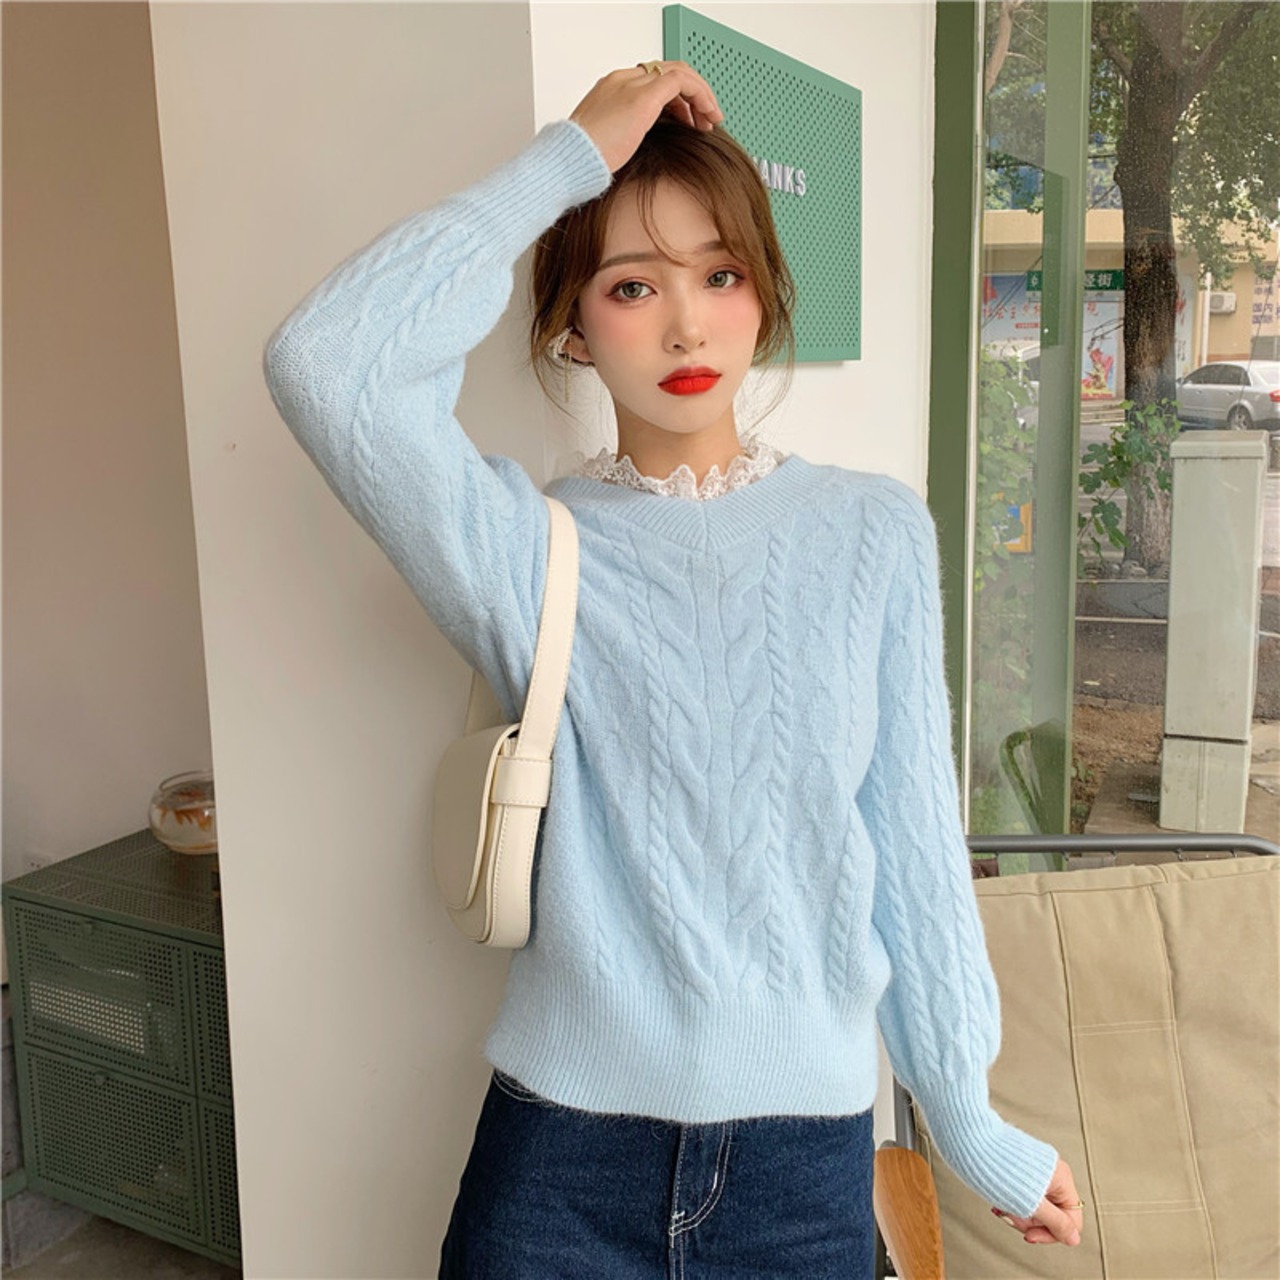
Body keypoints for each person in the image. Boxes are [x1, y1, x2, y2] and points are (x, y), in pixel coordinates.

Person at [263, 59, 1084, 1279]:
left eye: (720, 274)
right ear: (572, 324)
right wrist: (566, 161)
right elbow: (326, 363)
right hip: (559, 1164)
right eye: (632, 284)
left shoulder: (872, 532)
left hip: (802, 1171)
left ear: (763, 295)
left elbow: (909, 837)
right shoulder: (524, 548)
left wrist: (965, 1115)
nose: (687, 326)